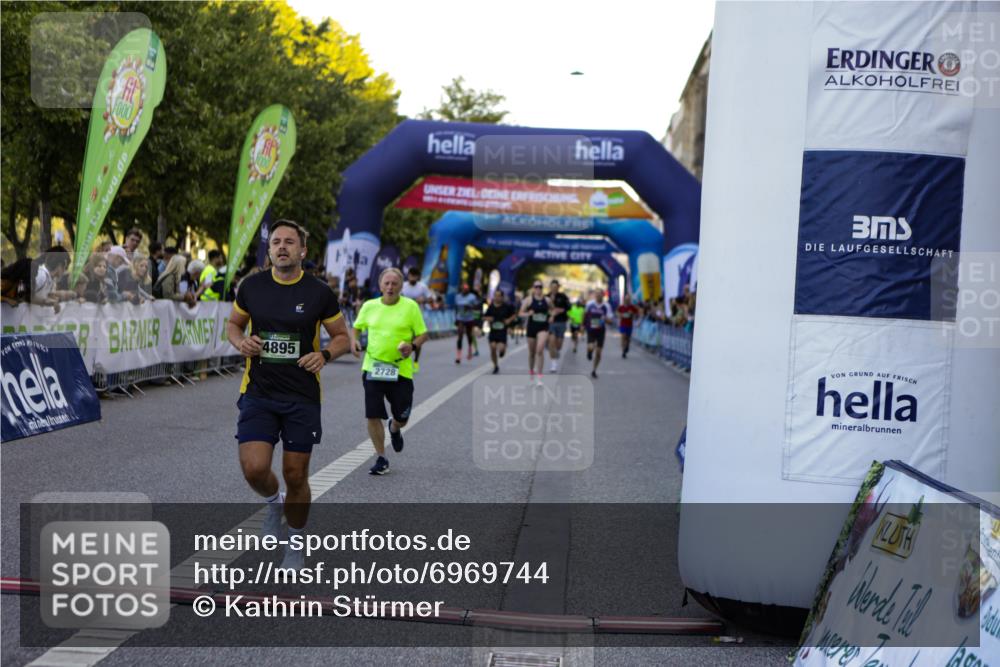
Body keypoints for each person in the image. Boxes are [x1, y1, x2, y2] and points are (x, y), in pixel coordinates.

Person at [226, 219, 350, 570]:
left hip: (301, 396)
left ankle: (295, 541)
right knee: (254, 468)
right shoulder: (252, 287)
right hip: (258, 392)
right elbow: (234, 325)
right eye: (276, 242)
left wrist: (325, 354)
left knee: (296, 475)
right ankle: (272, 502)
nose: (282, 247)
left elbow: (342, 336)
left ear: (302, 251)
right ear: (269, 250)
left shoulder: (318, 292)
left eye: (290, 242)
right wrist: (240, 342)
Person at [351, 267, 428, 476]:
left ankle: (395, 427)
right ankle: (381, 458)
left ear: (401, 287)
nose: (390, 287)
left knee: (403, 415)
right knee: (373, 414)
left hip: (400, 370)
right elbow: (356, 327)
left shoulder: (410, 307)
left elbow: (423, 334)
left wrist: (412, 346)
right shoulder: (369, 306)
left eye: (395, 283)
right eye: (387, 283)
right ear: (380, 285)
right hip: (373, 367)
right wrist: (354, 341)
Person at [518, 280, 550, 384]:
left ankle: (539, 376)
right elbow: (520, 313)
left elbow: (553, 310)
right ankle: (531, 371)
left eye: (540, 287)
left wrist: (552, 316)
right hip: (532, 327)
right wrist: (528, 314)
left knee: (539, 350)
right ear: (533, 288)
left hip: (543, 327)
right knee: (532, 353)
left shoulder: (547, 300)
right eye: (536, 287)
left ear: (542, 288)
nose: (538, 289)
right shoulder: (528, 300)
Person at [401, 267, 432, 367]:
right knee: (405, 338)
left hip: (418, 316)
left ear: (418, 277)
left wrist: (423, 301)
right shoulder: (403, 286)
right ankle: (405, 359)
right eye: (410, 276)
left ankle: (416, 361)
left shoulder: (422, 287)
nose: (412, 278)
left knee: (417, 339)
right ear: (408, 275)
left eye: (414, 276)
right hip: (404, 315)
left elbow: (431, 299)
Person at [483, 290, 517, 374]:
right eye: (495, 295)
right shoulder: (491, 306)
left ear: (502, 297)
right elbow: (484, 317)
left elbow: (514, 315)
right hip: (493, 331)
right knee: (493, 347)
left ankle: (503, 350)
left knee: (501, 349)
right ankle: (495, 366)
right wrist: (489, 319)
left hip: (502, 331)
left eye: (499, 296)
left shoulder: (506, 306)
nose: (497, 297)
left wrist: (509, 320)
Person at [584, 288, 614, 379]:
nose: (598, 296)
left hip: (601, 331)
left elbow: (610, 320)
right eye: (596, 294)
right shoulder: (590, 304)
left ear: (603, 295)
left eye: (600, 294)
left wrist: (605, 319)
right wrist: (583, 325)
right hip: (591, 329)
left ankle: (594, 370)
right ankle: (589, 352)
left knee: (598, 352)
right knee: (591, 347)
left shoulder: (606, 306)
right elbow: (585, 315)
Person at [546, 279, 570, 373]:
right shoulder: (546, 297)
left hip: (561, 322)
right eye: (552, 287)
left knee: (558, 345)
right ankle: (553, 364)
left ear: (558, 287)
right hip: (550, 323)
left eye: (555, 287)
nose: (554, 289)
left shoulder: (563, 296)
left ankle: (556, 352)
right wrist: (550, 313)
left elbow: (568, 307)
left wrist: (560, 310)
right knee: (552, 341)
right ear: (550, 287)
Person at [453, 282, 479, 364]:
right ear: (461, 289)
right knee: (460, 335)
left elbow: (476, 306)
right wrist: (455, 318)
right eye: (463, 289)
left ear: (468, 290)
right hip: (460, 318)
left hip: (469, 318)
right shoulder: (457, 297)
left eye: (466, 289)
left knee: (469, 335)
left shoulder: (472, 297)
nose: (465, 291)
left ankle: (470, 349)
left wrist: (470, 307)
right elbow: (456, 308)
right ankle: (458, 356)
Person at [617, 293, 640, 358]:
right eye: (626, 299)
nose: (627, 300)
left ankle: (627, 346)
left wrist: (632, 314)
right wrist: (620, 315)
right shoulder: (621, 307)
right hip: (623, 324)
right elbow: (617, 312)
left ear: (630, 300)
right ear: (624, 299)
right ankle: (623, 351)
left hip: (629, 324)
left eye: (628, 299)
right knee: (623, 337)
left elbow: (637, 314)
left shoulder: (632, 307)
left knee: (628, 338)